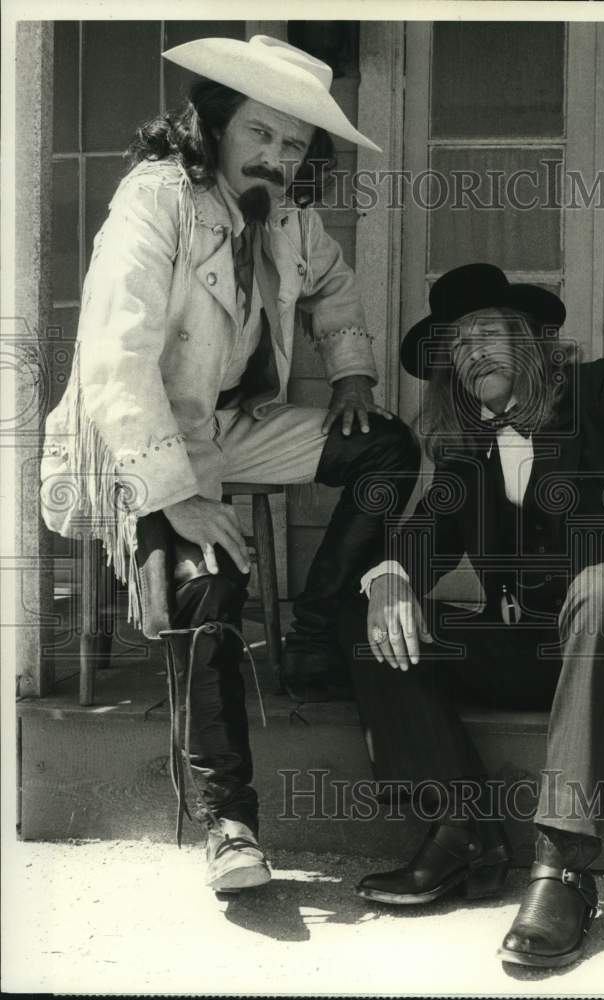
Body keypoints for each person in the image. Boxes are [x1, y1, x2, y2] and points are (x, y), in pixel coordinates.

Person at [40, 34, 419, 893]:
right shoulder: (155, 199)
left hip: (236, 421)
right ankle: (230, 824)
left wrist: (352, 368)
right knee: (210, 580)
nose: (278, 158)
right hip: (142, 434)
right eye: (262, 134)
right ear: (214, 123)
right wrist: (176, 497)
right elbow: (113, 359)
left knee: (387, 447)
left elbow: (333, 287)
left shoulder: (287, 215)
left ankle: (319, 629)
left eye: (293, 145)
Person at [340, 263, 604, 967]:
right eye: (455, 348)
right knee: (374, 617)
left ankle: (560, 868)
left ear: (530, 341)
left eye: (486, 335)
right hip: (539, 655)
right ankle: (462, 830)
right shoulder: (469, 447)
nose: (471, 355)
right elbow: (424, 535)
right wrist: (391, 578)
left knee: (603, 590)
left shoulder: (599, 392)